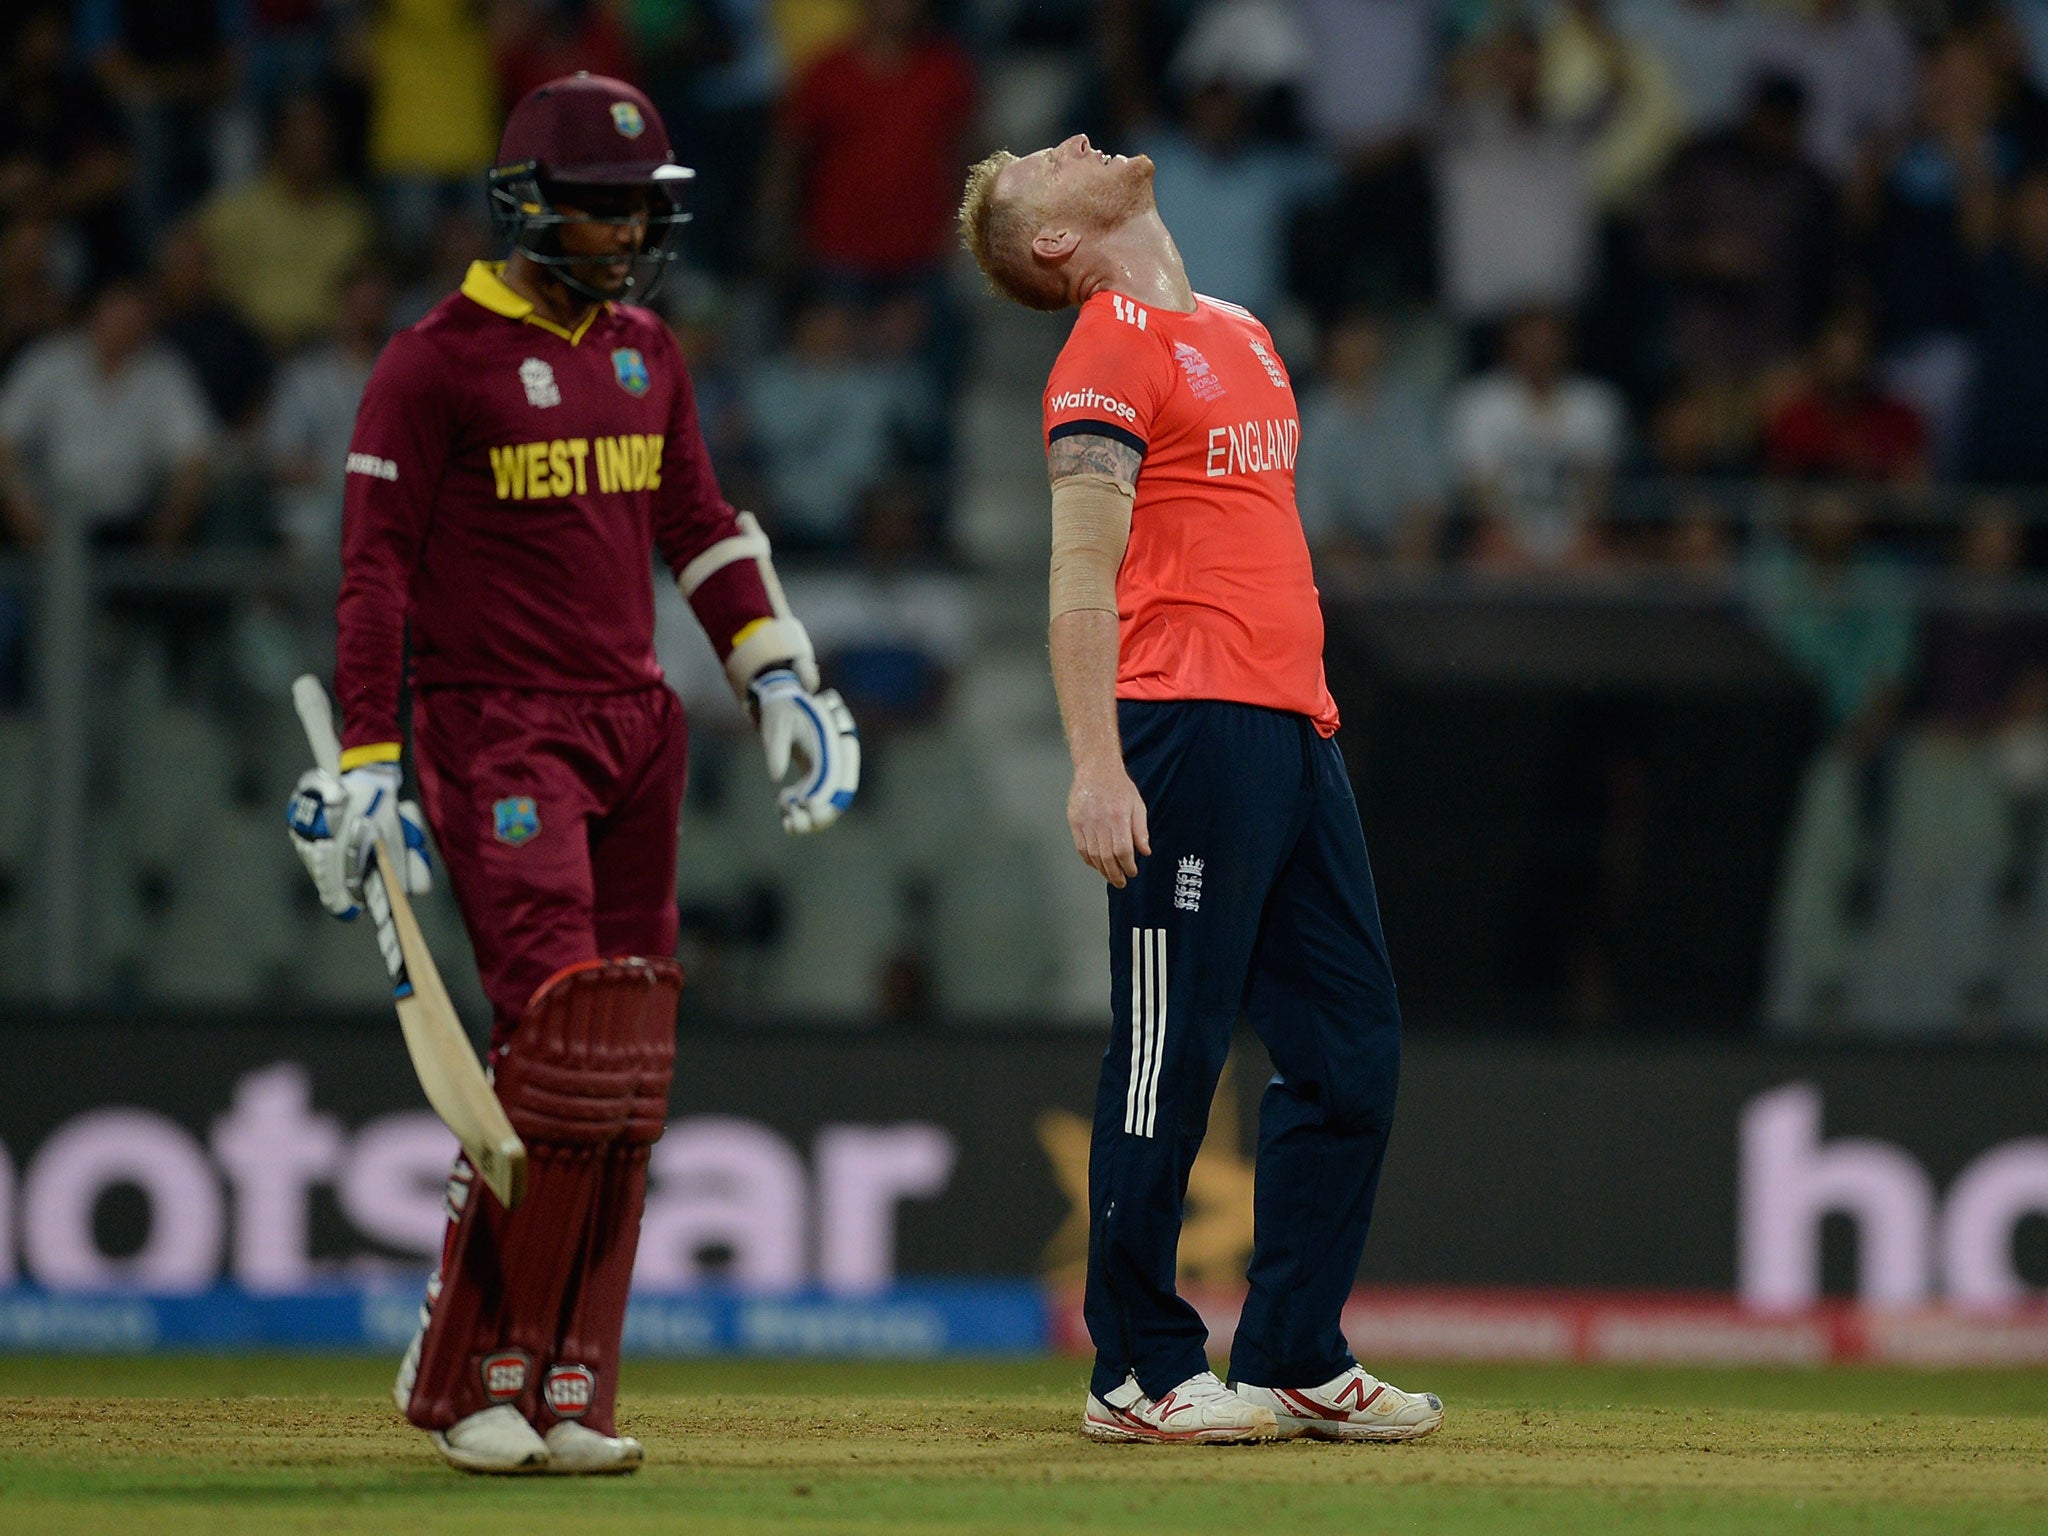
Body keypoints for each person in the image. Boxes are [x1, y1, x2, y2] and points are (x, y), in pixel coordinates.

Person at [283, 73, 859, 1475]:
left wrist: (777, 673)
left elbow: (702, 527)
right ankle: (469, 1370)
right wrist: (370, 761)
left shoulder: (647, 351)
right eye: (601, 209)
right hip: (500, 735)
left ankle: (574, 1384)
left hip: (637, 728)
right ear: (531, 205)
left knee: (632, 1073)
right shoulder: (433, 363)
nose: (623, 234)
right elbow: (374, 580)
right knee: (557, 1063)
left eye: (638, 208)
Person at [957, 134, 1442, 1446]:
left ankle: (1291, 1350)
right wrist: (1098, 763)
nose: (1073, 139)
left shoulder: (1240, 329)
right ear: (1051, 242)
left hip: (1295, 726)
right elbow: (1076, 575)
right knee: (1169, 1058)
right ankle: (1138, 1368)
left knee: (1350, 1054)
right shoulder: (1101, 353)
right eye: (1039, 163)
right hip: (1184, 730)